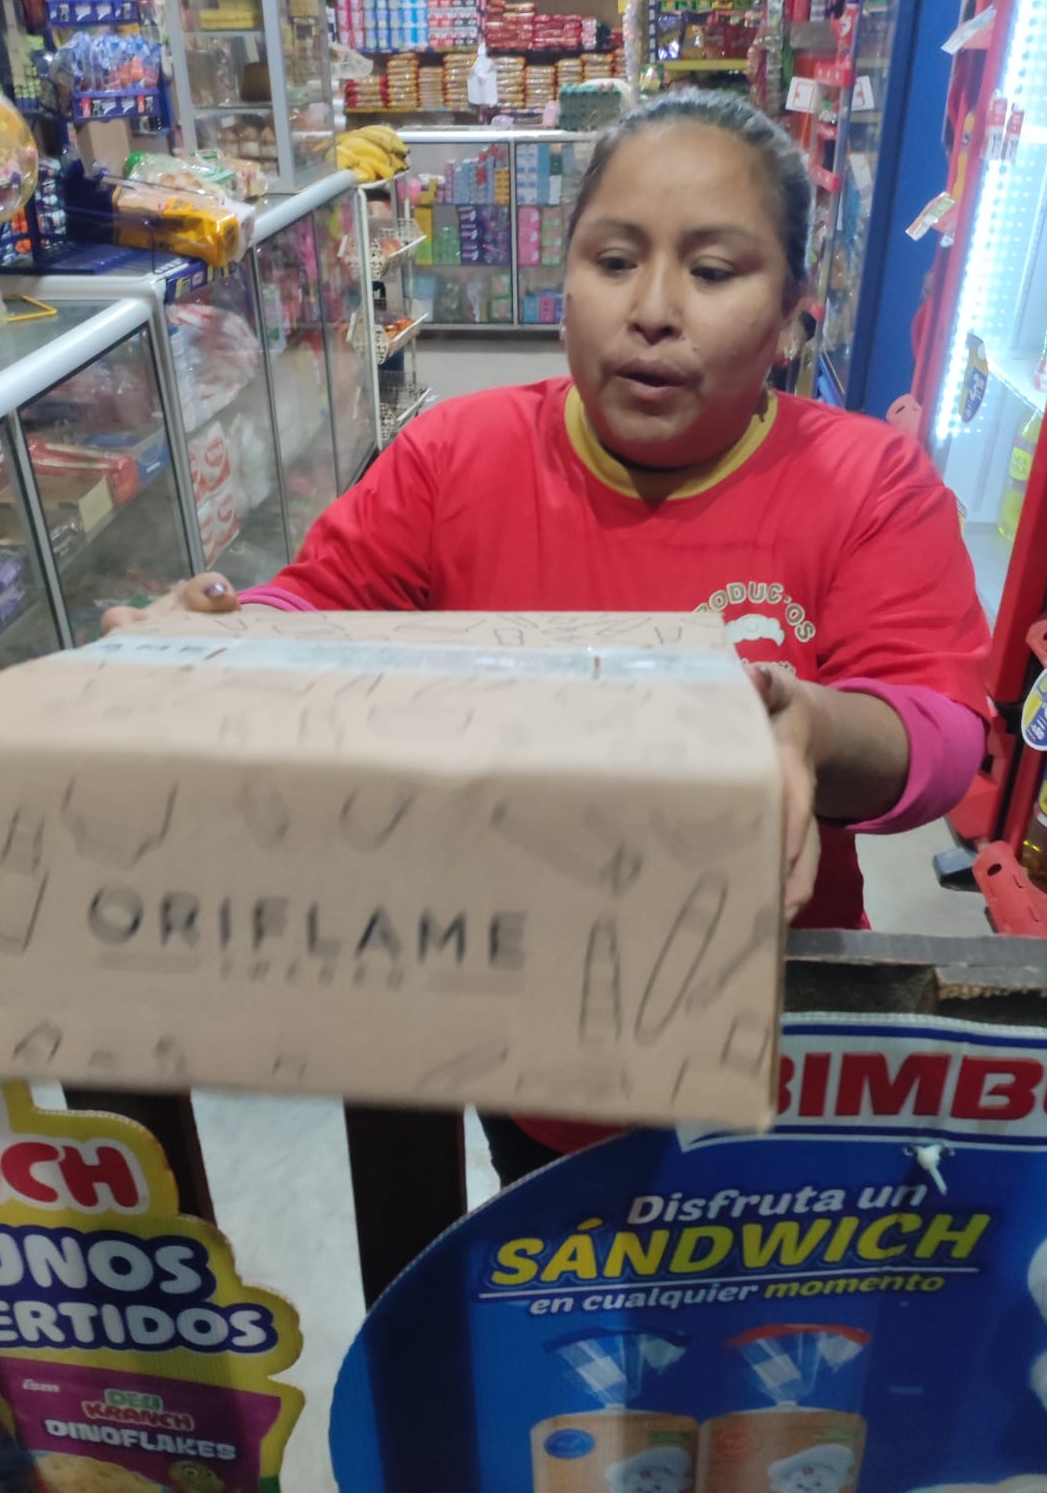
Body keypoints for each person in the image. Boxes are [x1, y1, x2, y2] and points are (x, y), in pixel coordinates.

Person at [105, 90, 990, 1187]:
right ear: (563, 280)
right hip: (525, 1021)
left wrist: (810, 722)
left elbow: (940, 733)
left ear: (793, 313)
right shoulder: (455, 456)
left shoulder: (868, 481)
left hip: (775, 1028)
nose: (652, 310)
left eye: (714, 271)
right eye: (614, 260)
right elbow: (322, 599)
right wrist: (219, 638)